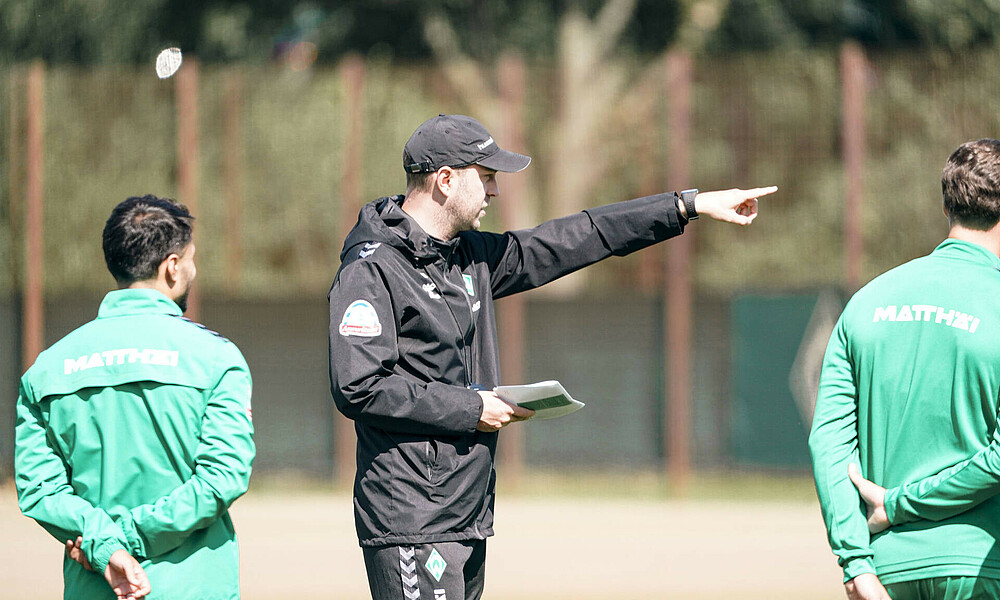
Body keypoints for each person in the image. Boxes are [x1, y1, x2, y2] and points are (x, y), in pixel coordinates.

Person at [328, 113, 776, 600]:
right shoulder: (371, 268)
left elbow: (575, 238)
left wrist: (686, 206)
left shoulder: (469, 255)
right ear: (446, 180)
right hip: (411, 518)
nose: (495, 191)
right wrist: (473, 407)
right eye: (487, 177)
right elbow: (360, 387)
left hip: (466, 513)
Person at [15, 195, 255, 600]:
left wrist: (107, 545)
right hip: (193, 587)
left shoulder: (47, 369)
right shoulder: (217, 358)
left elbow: (40, 491)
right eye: (191, 259)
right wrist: (130, 537)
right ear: (172, 266)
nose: (193, 270)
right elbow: (222, 478)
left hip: (94, 585)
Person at [809, 139, 1000, 600]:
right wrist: (898, 505)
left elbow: (829, 446)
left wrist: (855, 563)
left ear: (946, 206)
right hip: (982, 568)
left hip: (885, 573)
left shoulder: (866, 303)